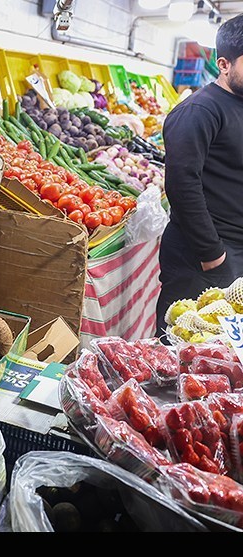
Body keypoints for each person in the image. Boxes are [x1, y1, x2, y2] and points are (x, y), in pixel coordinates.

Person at [155, 13, 243, 339]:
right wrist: (213, 256)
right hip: (202, 256)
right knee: (180, 346)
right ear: (224, 64)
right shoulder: (199, 111)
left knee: (220, 357)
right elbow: (181, 184)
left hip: (233, 252)